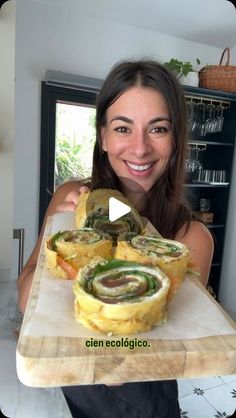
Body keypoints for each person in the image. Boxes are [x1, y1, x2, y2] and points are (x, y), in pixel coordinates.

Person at [17, 59, 214, 418]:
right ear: (103, 136)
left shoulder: (191, 238)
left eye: (158, 129)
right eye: (123, 128)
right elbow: (24, 299)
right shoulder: (71, 196)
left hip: (144, 404)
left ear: (176, 139)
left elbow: (130, 361)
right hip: (67, 392)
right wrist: (65, 237)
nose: (139, 149)